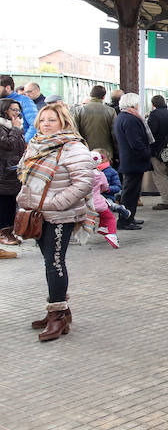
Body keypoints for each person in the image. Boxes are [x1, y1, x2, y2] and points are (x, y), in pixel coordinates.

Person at [17, 102, 95, 341]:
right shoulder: (36, 145)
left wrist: (55, 203)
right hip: (38, 214)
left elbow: (84, 182)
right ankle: (58, 308)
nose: (46, 125)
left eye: (51, 120)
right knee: (49, 262)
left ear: (63, 121)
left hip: (60, 215)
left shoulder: (73, 148)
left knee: (55, 263)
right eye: (42, 120)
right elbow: (23, 173)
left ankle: (57, 317)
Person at [112, 92, 151, 230]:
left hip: (130, 160)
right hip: (133, 161)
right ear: (133, 104)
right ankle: (125, 220)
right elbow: (135, 142)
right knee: (130, 192)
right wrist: (147, 153)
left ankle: (129, 217)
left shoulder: (122, 117)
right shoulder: (130, 119)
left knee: (132, 191)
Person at [0, 98, 27, 257]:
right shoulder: (4, 127)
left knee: (11, 204)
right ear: (4, 110)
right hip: (3, 173)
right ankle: (4, 233)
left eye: (18, 110)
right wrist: (16, 130)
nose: (17, 113)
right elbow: (6, 145)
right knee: (4, 205)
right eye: (13, 110)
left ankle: (9, 232)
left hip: (13, 171)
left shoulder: (12, 126)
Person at [147, 94, 168, 209]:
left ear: (153, 104)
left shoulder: (154, 115)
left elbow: (151, 133)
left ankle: (166, 201)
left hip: (158, 150)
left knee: (160, 175)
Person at [74, 85, 117, 163]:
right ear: (103, 97)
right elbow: (115, 135)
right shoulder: (111, 111)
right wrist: (117, 153)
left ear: (90, 95)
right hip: (105, 155)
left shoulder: (79, 110)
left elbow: (74, 132)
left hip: (84, 153)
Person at [89, 151, 118, 248]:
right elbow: (105, 187)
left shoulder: (83, 173)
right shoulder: (100, 174)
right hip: (98, 202)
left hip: (85, 203)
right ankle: (112, 235)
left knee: (102, 216)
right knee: (110, 217)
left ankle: (103, 227)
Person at [0, 74, 38, 142]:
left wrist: (24, 142)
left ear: (8, 88)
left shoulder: (24, 101)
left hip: (18, 146)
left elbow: (35, 124)